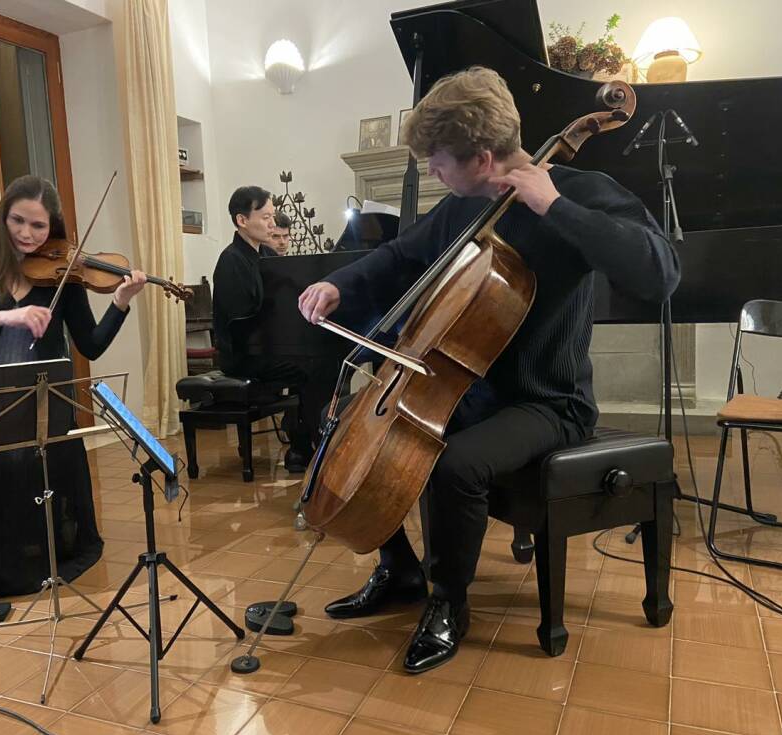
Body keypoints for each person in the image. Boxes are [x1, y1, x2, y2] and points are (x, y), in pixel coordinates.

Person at [298, 67, 680, 673]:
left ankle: (449, 604)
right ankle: (398, 570)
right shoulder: (462, 208)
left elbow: (660, 272)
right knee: (357, 431)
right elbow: (399, 257)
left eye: (439, 162)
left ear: (480, 157)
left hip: (546, 403)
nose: (433, 173)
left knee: (455, 464)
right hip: (473, 391)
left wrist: (555, 207)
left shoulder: (578, 191)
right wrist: (337, 286)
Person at [0, 174, 148, 609]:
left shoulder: (62, 274)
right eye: (17, 221)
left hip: (41, 393)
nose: (27, 234)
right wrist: (1, 318)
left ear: (53, 229)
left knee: (46, 453)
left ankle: (39, 555)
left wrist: (120, 302)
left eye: (39, 226)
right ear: (2, 217)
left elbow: (92, 344)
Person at [212, 186, 322, 471]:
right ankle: (303, 446)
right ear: (242, 220)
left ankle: (308, 441)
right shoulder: (231, 260)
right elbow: (242, 321)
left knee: (318, 362)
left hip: (263, 347)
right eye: (265, 217)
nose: (272, 224)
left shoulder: (262, 256)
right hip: (242, 355)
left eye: (272, 216)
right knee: (308, 368)